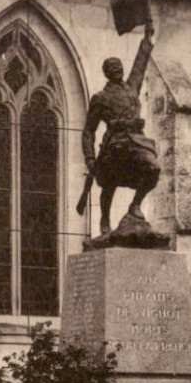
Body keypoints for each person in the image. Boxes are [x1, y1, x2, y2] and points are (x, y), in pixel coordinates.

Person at [81, 23, 161, 236]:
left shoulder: (132, 87)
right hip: (114, 143)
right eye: (112, 67)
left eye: (119, 66)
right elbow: (89, 130)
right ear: (107, 73)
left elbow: (140, 64)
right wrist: (89, 159)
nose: (117, 69)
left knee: (153, 169)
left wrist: (146, 39)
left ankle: (135, 206)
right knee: (109, 183)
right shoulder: (100, 98)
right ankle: (105, 219)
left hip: (137, 140)